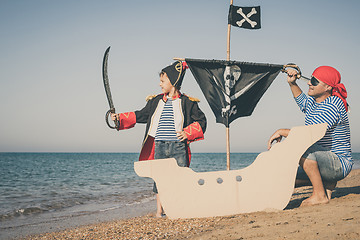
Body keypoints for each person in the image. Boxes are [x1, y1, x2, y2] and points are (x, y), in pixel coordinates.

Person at [111, 60, 207, 217]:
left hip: (178, 146)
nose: (159, 84)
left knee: (180, 177)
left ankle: (179, 208)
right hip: (159, 145)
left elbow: (202, 121)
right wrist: (119, 118)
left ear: (174, 81)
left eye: (163, 81)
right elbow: (141, 115)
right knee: (159, 179)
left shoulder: (188, 103)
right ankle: (159, 211)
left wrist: (188, 133)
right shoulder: (156, 101)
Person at [267, 66, 352, 206]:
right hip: (322, 160)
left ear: (327, 87)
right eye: (310, 79)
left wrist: (282, 131)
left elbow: (310, 134)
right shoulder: (316, 102)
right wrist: (292, 83)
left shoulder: (332, 105)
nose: (308, 83)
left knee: (299, 147)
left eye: (314, 81)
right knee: (286, 176)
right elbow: (302, 101)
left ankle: (320, 195)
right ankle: (326, 184)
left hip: (338, 163)